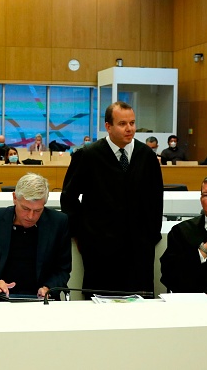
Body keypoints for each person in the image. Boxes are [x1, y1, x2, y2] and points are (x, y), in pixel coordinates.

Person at [61, 101, 163, 296]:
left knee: (140, 303)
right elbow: (69, 198)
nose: (129, 128)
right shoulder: (88, 155)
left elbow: (156, 199)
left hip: (139, 249)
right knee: (100, 303)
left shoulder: (147, 156)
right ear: (108, 126)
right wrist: (81, 234)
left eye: (132, 123)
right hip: (99, 249)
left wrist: (150, 236)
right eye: (122, 124)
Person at [0, 173, 71, 301]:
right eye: (25, 208)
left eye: (38, 210)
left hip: (41, 301)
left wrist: (49, 287)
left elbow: (63, 269)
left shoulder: (58, 222)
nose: (31, 216)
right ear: (15, 198)